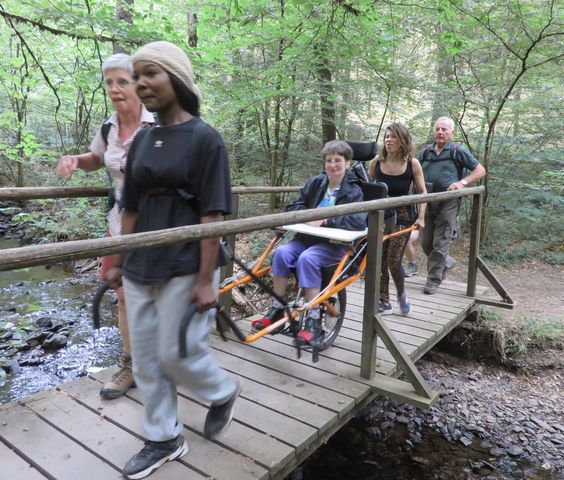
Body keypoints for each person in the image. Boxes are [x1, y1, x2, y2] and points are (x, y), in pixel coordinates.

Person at [105, 41, 240, 480]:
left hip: (187, 264)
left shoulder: (206, 139)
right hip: (143, 260)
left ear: (176, 79)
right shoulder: (143, 139)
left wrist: (207, 279)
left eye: (150, 74)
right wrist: (119, 259)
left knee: (177, 352)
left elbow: (213, 213)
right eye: (136, 75)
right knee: (145, 358)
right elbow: (130, 206)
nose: (141, 84)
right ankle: (164, 437)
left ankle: (222, 390)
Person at [56, 53, 154, 400]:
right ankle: (131, 365)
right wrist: (75, 161)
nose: (114, 89)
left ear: (138, 85)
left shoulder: (157, 124)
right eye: (109, 82)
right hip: (119, 224)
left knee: (156, 296)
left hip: (157, 225)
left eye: (122, 82)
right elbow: (97, 159)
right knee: (124, 297)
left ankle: (165, 359)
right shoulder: (108, 126)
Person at [252, 140, 367, 346]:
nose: (333, 165)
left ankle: (313, 321)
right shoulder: (315, 183)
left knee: (307, 258)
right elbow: (294, 205)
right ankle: (278, 308)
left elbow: (357, 220)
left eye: (338, 160)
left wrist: (325, 220)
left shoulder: (354, 190)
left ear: (347, 163)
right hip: (306, 239)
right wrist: (306, 216)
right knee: (281, 253)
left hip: (335, 245)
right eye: (329, 160)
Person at [418, 116, 486, 294]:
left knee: (440, 242)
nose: (440, 132)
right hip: (427, 202)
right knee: (426, 243)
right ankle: (446, 262)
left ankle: (433, 279)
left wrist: (461, 183)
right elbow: (414, 171)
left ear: (451, 132)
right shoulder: (425, 152)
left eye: (444, 130)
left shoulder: (457, 151)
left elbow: (480, 170)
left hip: (449, 202)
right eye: (437, 129)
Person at [368, 123, 427, 315]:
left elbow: (422, 192)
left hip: (403, 216)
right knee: (379, 260)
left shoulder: (412, 163)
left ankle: (402, 295)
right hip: (381, 216)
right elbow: (368, 190)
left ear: (402, 140)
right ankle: (383, 300)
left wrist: (421, 217)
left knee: (393, 261)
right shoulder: (376, 162)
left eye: (393, 137)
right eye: (386, 136)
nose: (389, 140)